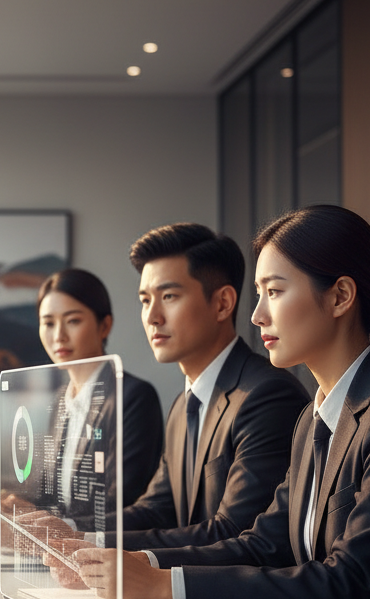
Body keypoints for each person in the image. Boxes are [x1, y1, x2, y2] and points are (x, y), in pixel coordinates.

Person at [73, 206, 370, 599]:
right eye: (259, 293)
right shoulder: (313, 417)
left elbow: (346, 581)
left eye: (274, 291)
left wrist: (162, 585)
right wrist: (141, 564)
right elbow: (263, 544)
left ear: (340, 296)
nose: (258, 316)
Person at [82, 222, 309, 546]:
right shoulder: (183, 404)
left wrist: (106, 550)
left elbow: (234, 532)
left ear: (222, 303)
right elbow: (156, 509)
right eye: (145, 300)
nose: (152, 316)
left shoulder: (267, 396)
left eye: (169, 296)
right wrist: (64, 530)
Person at [35, 269, 163, 507]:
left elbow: (123, 499)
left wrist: (63, 529)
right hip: (61, 542)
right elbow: (50, 493)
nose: (59, 336)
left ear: (104, 326)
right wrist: (18, 509)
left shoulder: (133, 397)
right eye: (48, 323)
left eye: (73, 321)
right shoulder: (61, 400)